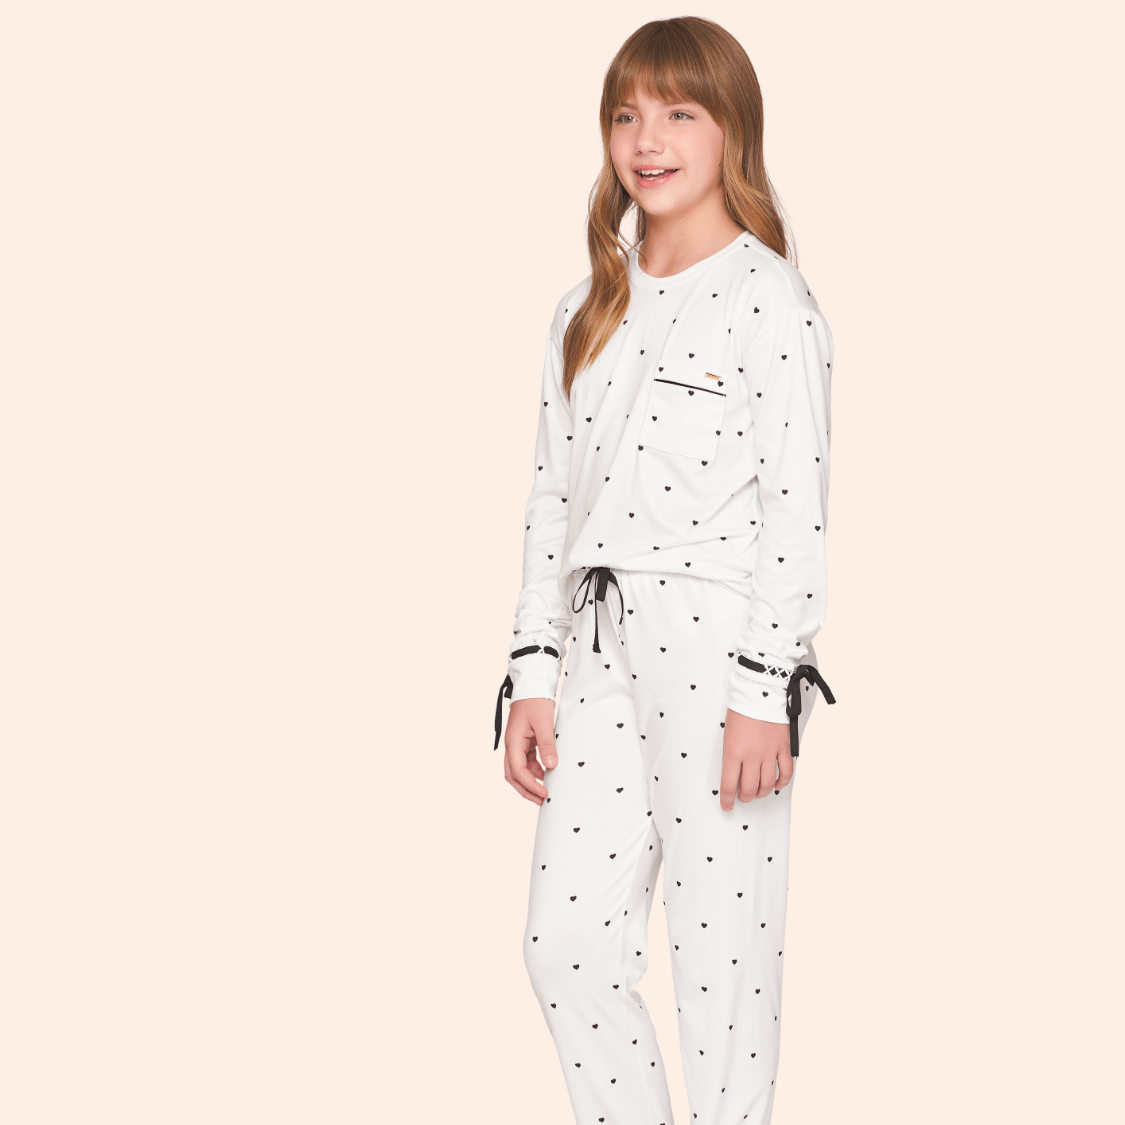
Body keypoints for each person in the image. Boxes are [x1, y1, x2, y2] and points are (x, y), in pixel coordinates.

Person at [493, 16, 837, 1125]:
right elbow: (552, 500)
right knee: (565, 944)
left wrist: (762, 689)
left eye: (679, 112)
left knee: (720, 963)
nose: (647, 140)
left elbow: (795, 510)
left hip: (718, 648)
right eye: (626, 115)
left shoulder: (769, 302)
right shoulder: (584, 307)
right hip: (596, 649)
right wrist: (533, 672)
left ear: (731, 127)